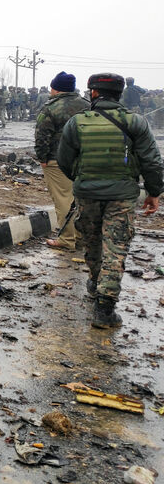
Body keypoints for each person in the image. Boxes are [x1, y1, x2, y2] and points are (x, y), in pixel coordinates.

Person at [57, 73, 163, 328]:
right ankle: (105, 309)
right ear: (120, 94)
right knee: (115, 249)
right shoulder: (135, 122)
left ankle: (95, 283)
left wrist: (82, 178)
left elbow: (64, 160)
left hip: (87, 194)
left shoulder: (77, 123)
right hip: (122, 196)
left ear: (93, 93)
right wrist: (154, 192)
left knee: (92, 243)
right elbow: (152, 161)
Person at [34, 72, 89, 250]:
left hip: (57, 161)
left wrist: (42, 158)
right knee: (84, 199)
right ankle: (85, 237)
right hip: (86, 160)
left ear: (55, 89)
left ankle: (68, 239)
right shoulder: (89, 106)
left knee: (64, 199)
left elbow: (42, 135)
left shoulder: (52, 107)